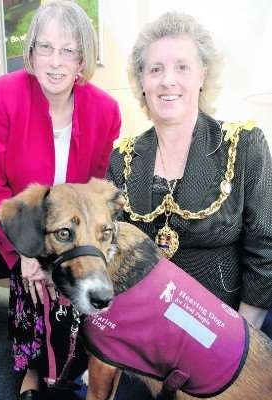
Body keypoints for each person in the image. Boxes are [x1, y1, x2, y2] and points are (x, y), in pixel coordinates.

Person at [0, 0, 121, 400]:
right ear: (32, 52)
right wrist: (24, 253)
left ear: (82, 59)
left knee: (79, 287)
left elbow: (95, 192)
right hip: (25, 227)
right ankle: (33, 371)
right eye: (46, 48)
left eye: (68, 50)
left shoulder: (105, 110)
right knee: (31, 287)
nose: (55, 62)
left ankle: (75, 367)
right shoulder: (2, 96)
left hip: (72, 234)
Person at [107, 11, 272, 330]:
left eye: (182, 66)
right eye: (155, 69)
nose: (168, 80)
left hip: (224, 328)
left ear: (202, 75)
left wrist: (239, 340)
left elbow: (266, 247)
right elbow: (114, 249)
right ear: (142, 81)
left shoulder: (244, 145)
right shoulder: (121, 157)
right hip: (146, 325)